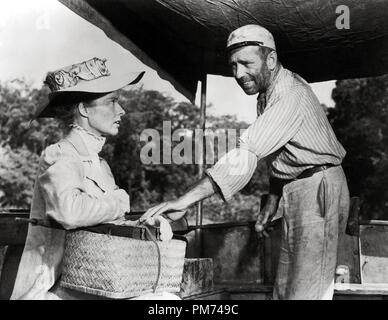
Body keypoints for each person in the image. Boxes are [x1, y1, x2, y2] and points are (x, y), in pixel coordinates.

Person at [140, 24, 350, 300]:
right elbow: (286, 155)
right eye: (233, 65)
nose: (238, 74)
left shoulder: (290, 94)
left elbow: (246, 154)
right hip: (299, 189)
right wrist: (274, 200)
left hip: (319, 188)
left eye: (246, 63)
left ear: (270, 59)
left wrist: (184, 201)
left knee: (305, 293)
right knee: (285, 290)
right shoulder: (268, 94)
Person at [10, 57, 145, 300]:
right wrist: (119, 202)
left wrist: (145, 223)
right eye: (112, 101)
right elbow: (69, 213)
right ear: (83, 109)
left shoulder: (100, 164)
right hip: (50, 289)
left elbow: (107, 221)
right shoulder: (61, 153)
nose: (121, 110)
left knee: (165, 298)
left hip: (90, 283)